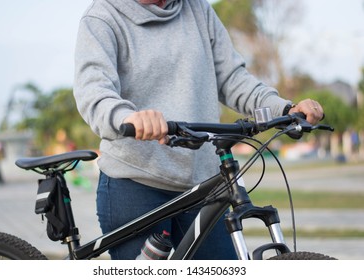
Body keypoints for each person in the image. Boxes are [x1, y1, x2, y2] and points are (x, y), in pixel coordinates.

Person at [73, 0, 324, 260]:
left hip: (202, 183)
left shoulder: (198, 9)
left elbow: (232, 79)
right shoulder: (101, 17)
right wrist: (127, 117)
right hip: (135, 182)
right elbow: (94, 92)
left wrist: (284, 109)